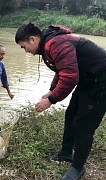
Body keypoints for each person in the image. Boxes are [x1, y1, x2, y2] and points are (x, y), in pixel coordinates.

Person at [15, 22, 106, 180]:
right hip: (88, 80)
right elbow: (61, 70)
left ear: (32, 39)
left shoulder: (56, 44)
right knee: (71, 115)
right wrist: (51, 90)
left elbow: (70, 78)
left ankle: (77, 168)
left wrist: (51, 99)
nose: (26, 51)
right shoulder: (49, 45)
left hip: (101, 81)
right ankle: (66, 153)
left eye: (24, 47)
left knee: (83, 125)